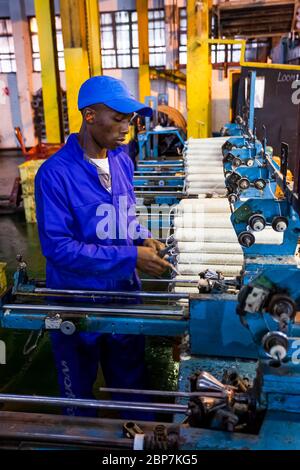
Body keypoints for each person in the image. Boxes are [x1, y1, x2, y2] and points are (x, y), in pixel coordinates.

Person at [35, 75, 171, 418]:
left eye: (131, 119)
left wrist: (140, 236)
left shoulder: (122, 159)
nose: (127, 127)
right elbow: (59, 248)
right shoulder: (54, 174)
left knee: (132, 388)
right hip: (77, 301)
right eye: (119, 118)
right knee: (78, 396)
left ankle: (140, 447)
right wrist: (130, 256)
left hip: (124, 296)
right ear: (90, 115)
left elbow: (124, 214)